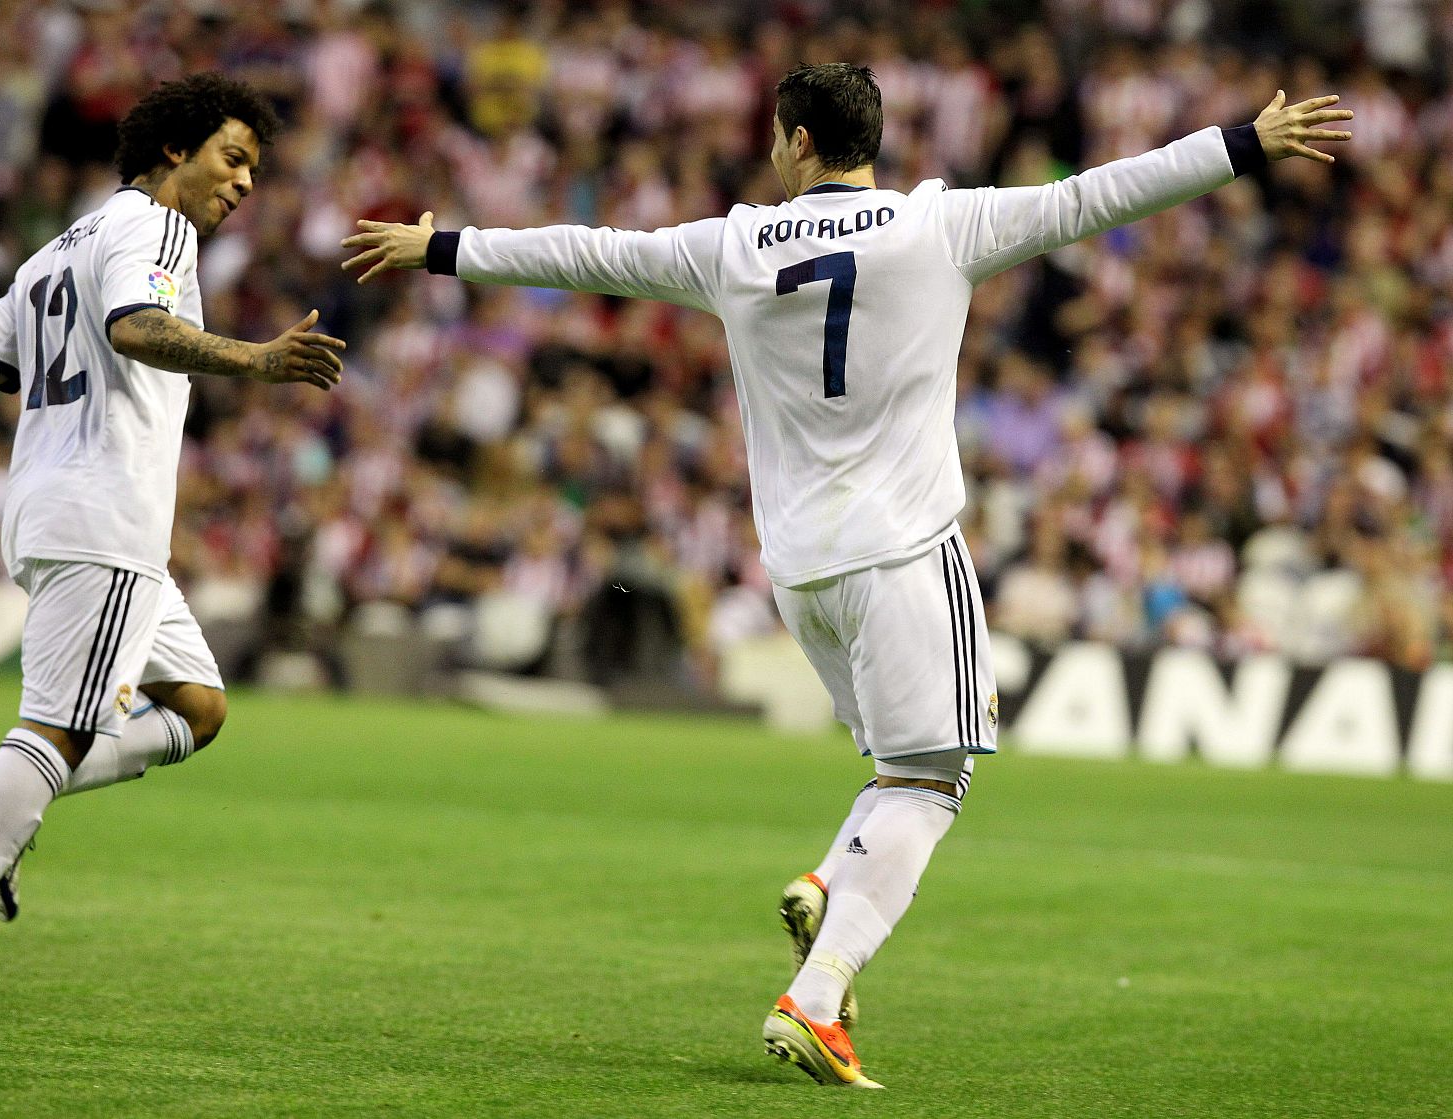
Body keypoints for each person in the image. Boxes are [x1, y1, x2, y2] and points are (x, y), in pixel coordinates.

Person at [340, 65, 1351, 1087]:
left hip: (798, 573)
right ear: (872, 139)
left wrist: (440, 248)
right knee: (930, 780)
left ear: (793, 142)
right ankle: (815, 999)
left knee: (893, 776)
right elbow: (1094, 194)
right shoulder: (935, 227)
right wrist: (1239, 143)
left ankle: (830, 884)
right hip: (904, 552)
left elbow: (589, 254)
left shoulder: (730, 245)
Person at [0, 73, 346, 1017]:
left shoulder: (51, 252)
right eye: (233, 158)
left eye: (254, 169)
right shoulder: (159, 229)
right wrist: (256, 358)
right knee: (60, 726)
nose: (244, 183)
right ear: (176, 149)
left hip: (55, 511)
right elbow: (136, 327)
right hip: (103, 513)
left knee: (198, 706)